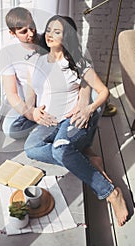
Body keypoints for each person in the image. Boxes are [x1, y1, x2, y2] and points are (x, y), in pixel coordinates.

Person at [24, 14, 128, 226]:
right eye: (49, 29)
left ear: (67, 36)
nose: (51, 35)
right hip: (49, 122)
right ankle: (86, 160)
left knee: (60, 150)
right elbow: (32, 91)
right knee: (31, 149)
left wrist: (88, 108)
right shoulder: (38, 60)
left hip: (72, 120)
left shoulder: (78, 63)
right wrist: (33, 110)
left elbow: (103, 91)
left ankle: (111, 193)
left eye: (57, 32)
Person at [0, 7, 98, 141]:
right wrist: (31, 113)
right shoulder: (7, 54)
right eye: (23, 32)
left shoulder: (48, 40)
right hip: (31, 103)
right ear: (12, 33)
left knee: (95, 99)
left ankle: (78, 143)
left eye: (32, 27)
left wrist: (83, 101)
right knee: (10, 129)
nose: (31, 33)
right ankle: (49, 129)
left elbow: (80, 69)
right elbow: (11, 94)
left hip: (62, 95)